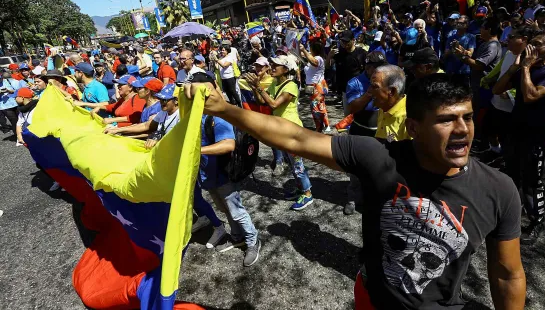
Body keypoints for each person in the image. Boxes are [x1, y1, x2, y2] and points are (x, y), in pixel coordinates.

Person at [184, 74, 526, 310]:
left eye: (467, 117)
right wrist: (226, 109)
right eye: (446, 120)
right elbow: (296, 138)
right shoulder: (379, 157)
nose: (462, 130)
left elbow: (508, 273)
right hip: (370, 300)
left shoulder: (499, 189)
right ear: (414, 127)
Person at [494, 29, 545, 244]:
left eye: (537, 44)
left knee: (532, 182)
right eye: (531, 43)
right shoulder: (523, 69)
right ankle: (509, 218)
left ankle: (536, 222)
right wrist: (515, 68)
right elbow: (497, 89)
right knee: (511, 177)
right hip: (514, 131)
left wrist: (525, 67)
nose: (531, 48)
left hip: (535, 136)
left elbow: (531, 96)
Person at [192, 72, 261, 266]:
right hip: (208, 175)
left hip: (222, 174)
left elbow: (228, 145)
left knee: (236, 210)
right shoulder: (197, 113)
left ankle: (252, 241)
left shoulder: (217, 116)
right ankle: (237, 236)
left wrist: (197, 150)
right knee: (224, 209)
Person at [245, 55, 314, 211]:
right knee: (291, 163)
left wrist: (259, 87)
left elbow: (274, 104)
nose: (272, 67)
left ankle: (307, 193)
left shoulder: (291, 86)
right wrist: (255, 88)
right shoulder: (276, 83)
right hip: (281, 129)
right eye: (272, 64)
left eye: (276, 65)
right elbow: (262, 102)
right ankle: (300, 189)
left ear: (286, 69)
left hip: (292, 130)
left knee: (297, 164)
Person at [341, 52, 386, 215]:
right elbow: (352, 108)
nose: (381, 71)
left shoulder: (387, 79)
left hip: (381, 132)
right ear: (367, 67)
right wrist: (369, 93)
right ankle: (353, 198)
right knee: (355, 167)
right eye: (376, 67)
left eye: (383, 67)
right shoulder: (355, 82)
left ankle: (374, 197)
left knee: (378, 167)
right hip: (360, 130)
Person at [480, 27, 533, 154]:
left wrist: (510, 93)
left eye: (511, 37)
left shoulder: (529, 60)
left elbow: (528, 82)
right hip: (495, 102)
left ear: (524, 39)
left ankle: (506, 161)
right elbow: (499, 69)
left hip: (511, 108)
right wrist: (487, 79)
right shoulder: (509, 53)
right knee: (489, 129)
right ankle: (495, 152)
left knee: (507, 138)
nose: (506, 40)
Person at [328, 30, 367, 116]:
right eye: (342, 41)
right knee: (348, 115)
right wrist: (329, 56)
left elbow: (367, 70)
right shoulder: (338, 54)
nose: (344, 43)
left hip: (359, 89)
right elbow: (327, 67)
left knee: (360, 114)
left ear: (353, 40)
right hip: (345, 91)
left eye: (346, 41)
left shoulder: (361, 53)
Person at [369, 64, 410, 143]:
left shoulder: (408, 119)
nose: (369, 91)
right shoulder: (384, 107)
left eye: (375, 87)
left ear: (392, 91)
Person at [300, 42, 331, 133]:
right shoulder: (312, 58)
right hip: (313, 86)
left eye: (310, 48)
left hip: (317, 87)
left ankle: (319, 128)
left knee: (316, 108)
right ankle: (325, 125)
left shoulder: (318, 58)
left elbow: (314, 62)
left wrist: (304, 50)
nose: (309, 50)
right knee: (320, 106)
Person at [0, 70, 28, 135]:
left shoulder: (8, 81)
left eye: (0, 78)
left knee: (22, 119)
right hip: (5, 106)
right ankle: (18, 136)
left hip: (15, 103)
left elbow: (17, 90)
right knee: (14, 121)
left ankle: (26, 134)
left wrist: (9, 91)